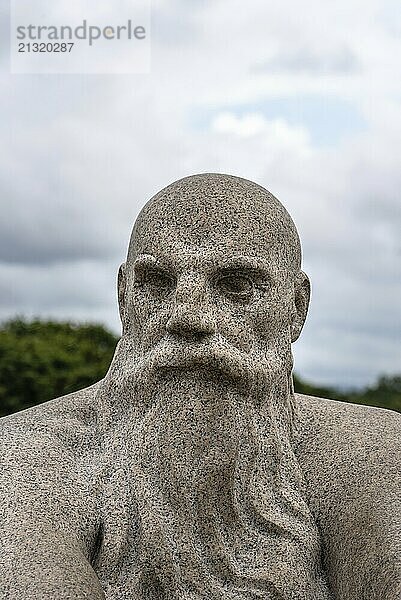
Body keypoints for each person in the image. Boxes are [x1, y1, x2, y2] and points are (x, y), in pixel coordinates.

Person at [0, 173, 400, 600]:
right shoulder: (22, 460)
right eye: (156, 285)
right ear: (123, 298)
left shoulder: (374, 455)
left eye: (236, 286)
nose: (188, 318)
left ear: (296, 307)